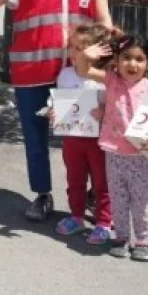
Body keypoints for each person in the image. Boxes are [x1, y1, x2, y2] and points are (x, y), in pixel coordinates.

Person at [0, 0, 114, 222]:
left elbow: (104, 21)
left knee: (89, 134)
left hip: (79, 71)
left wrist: (111, 58)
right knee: (35, 136)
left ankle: (93, 197)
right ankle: (42, 194)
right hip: (32, 72)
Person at [87, 34, 148, 262]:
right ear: (116, 61)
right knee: (118, 200)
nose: (132, 64)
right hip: (113, 154)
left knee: (141, 200)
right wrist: (85, 56)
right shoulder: (111, 81)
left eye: (139, 59)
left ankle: (144, 241)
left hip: (139, 157)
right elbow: (84, 70)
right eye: (126, 58)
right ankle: (120, 238)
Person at [47, 23, 115, 244]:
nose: (74, 53)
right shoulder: (65, 74)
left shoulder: (105, 78)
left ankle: (104, 222)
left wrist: (104, 111)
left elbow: (116, 107)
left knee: (101, 182)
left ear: (98, 52)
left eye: (81, 48)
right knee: (74, 179)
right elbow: (58, 100)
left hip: (98, 141)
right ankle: (76, 216)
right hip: (72, 139)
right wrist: (52, 110)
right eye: (73, 47)